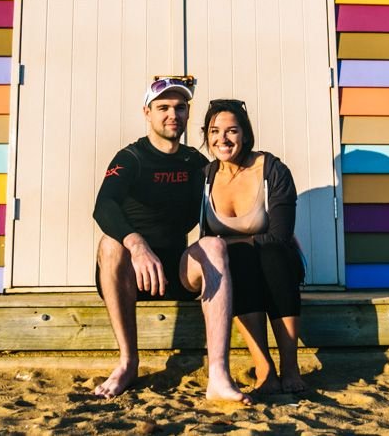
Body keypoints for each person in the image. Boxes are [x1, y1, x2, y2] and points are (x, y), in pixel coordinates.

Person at [92, 77, 250, 403]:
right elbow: (103, 205)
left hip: (177, 273)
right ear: (147, 113)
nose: (172, 114)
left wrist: (277, 227)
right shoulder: (131, 158)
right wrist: (136, 245)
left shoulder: (195, 162)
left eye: (180, 108)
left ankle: (219, 374)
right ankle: (128, 362)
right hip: (131, 275)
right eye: (163, 107)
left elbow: (232, 193)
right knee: (109, 244)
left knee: (215, 246)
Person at [200, 98, 307, 393]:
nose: (222, 138)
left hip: (279, 263)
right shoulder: (205, 178)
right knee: (238, 258)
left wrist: (236, 243)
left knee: (268, 253)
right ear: (207, 137)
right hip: (240, 268)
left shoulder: (271, 169)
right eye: (214, 131)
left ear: (245, 134)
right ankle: (264, 369)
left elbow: (280, 235)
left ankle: (290, 366)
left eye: (232, 130)